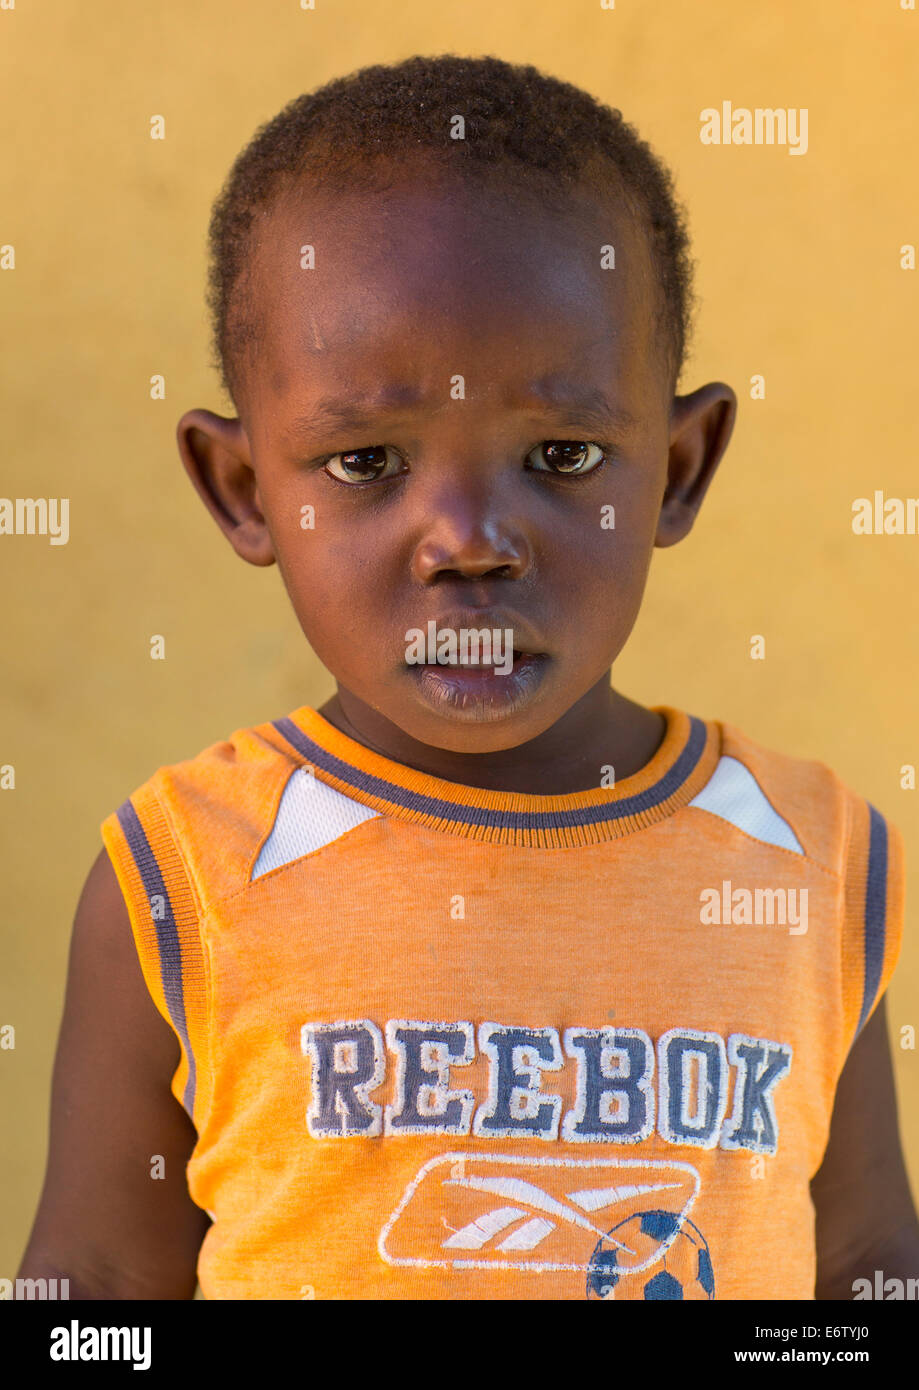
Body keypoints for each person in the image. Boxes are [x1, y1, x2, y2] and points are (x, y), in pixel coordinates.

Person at [18, 54, 919, 1300]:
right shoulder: (182, 878)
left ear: (678, 467)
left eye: (561, 452)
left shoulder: (808, 864)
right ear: (242, 490)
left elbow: (868, 1267)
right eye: (365, 461)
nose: (469, 540)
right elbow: (95, 1298)